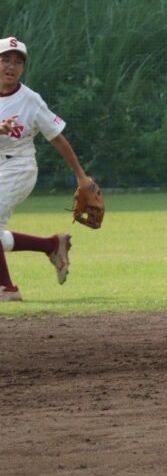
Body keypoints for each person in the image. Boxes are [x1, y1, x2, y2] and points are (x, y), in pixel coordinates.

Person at [0, 36, 95, 302]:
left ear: (23, 68)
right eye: (5, 59)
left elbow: (57, 137)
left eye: (18, 62)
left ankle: (8, 289)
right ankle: (52, 245)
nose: (11, 65)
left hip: (19, 168)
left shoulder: (30, 100)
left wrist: (81, 175)